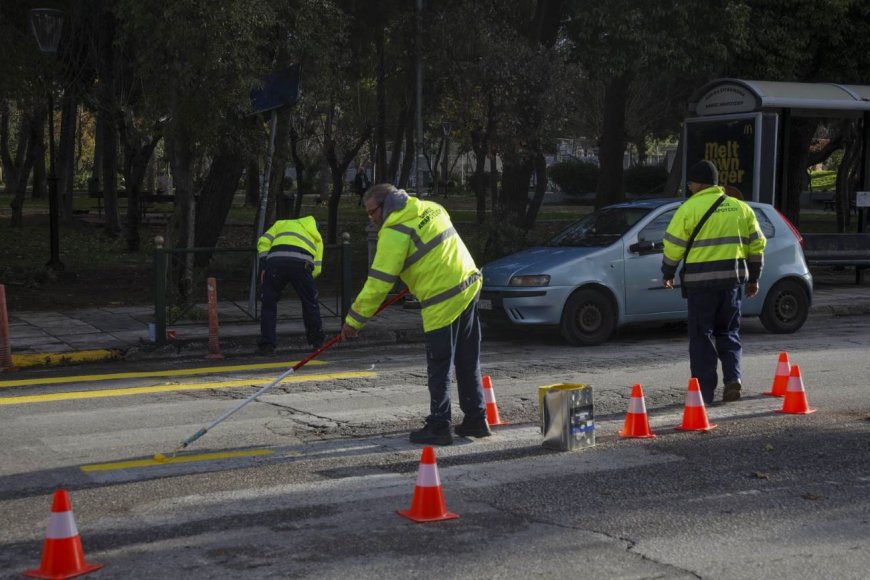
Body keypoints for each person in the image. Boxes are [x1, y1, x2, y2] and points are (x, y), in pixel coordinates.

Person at [340, 183, 488, 445]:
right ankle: (476, 420)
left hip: (442, 299)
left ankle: (440, 426)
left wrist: (353, 321)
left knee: (439, 365)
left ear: (386, 205)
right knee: (467, 358)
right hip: (469, 285)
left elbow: (378, 284)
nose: (371, 219)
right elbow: (435, 250)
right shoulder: (431, 207)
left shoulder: (394, 231)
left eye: (372, 212)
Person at [661, 160, 767, 405]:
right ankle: (733, 378)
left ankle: (704, 393)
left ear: (698, 184)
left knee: (702, 336)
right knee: (729, 331)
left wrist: (667, 273)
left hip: (701, 286)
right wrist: (754, 278)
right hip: (731, 284)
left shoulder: (689, 209)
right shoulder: (741, 208)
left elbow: (673, 246)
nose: (689, 188)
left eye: (690, 183)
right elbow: (757, 245)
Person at [256, 212, 325, 355]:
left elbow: (263, 241)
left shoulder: (281, 223)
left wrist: (264, 266)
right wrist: (308, 281)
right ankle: (317, 344)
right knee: (310, 303)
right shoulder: (317, 236)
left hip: (275, 263)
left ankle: (267, 346)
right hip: (302, 265)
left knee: (268, 304)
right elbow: (317, 266)